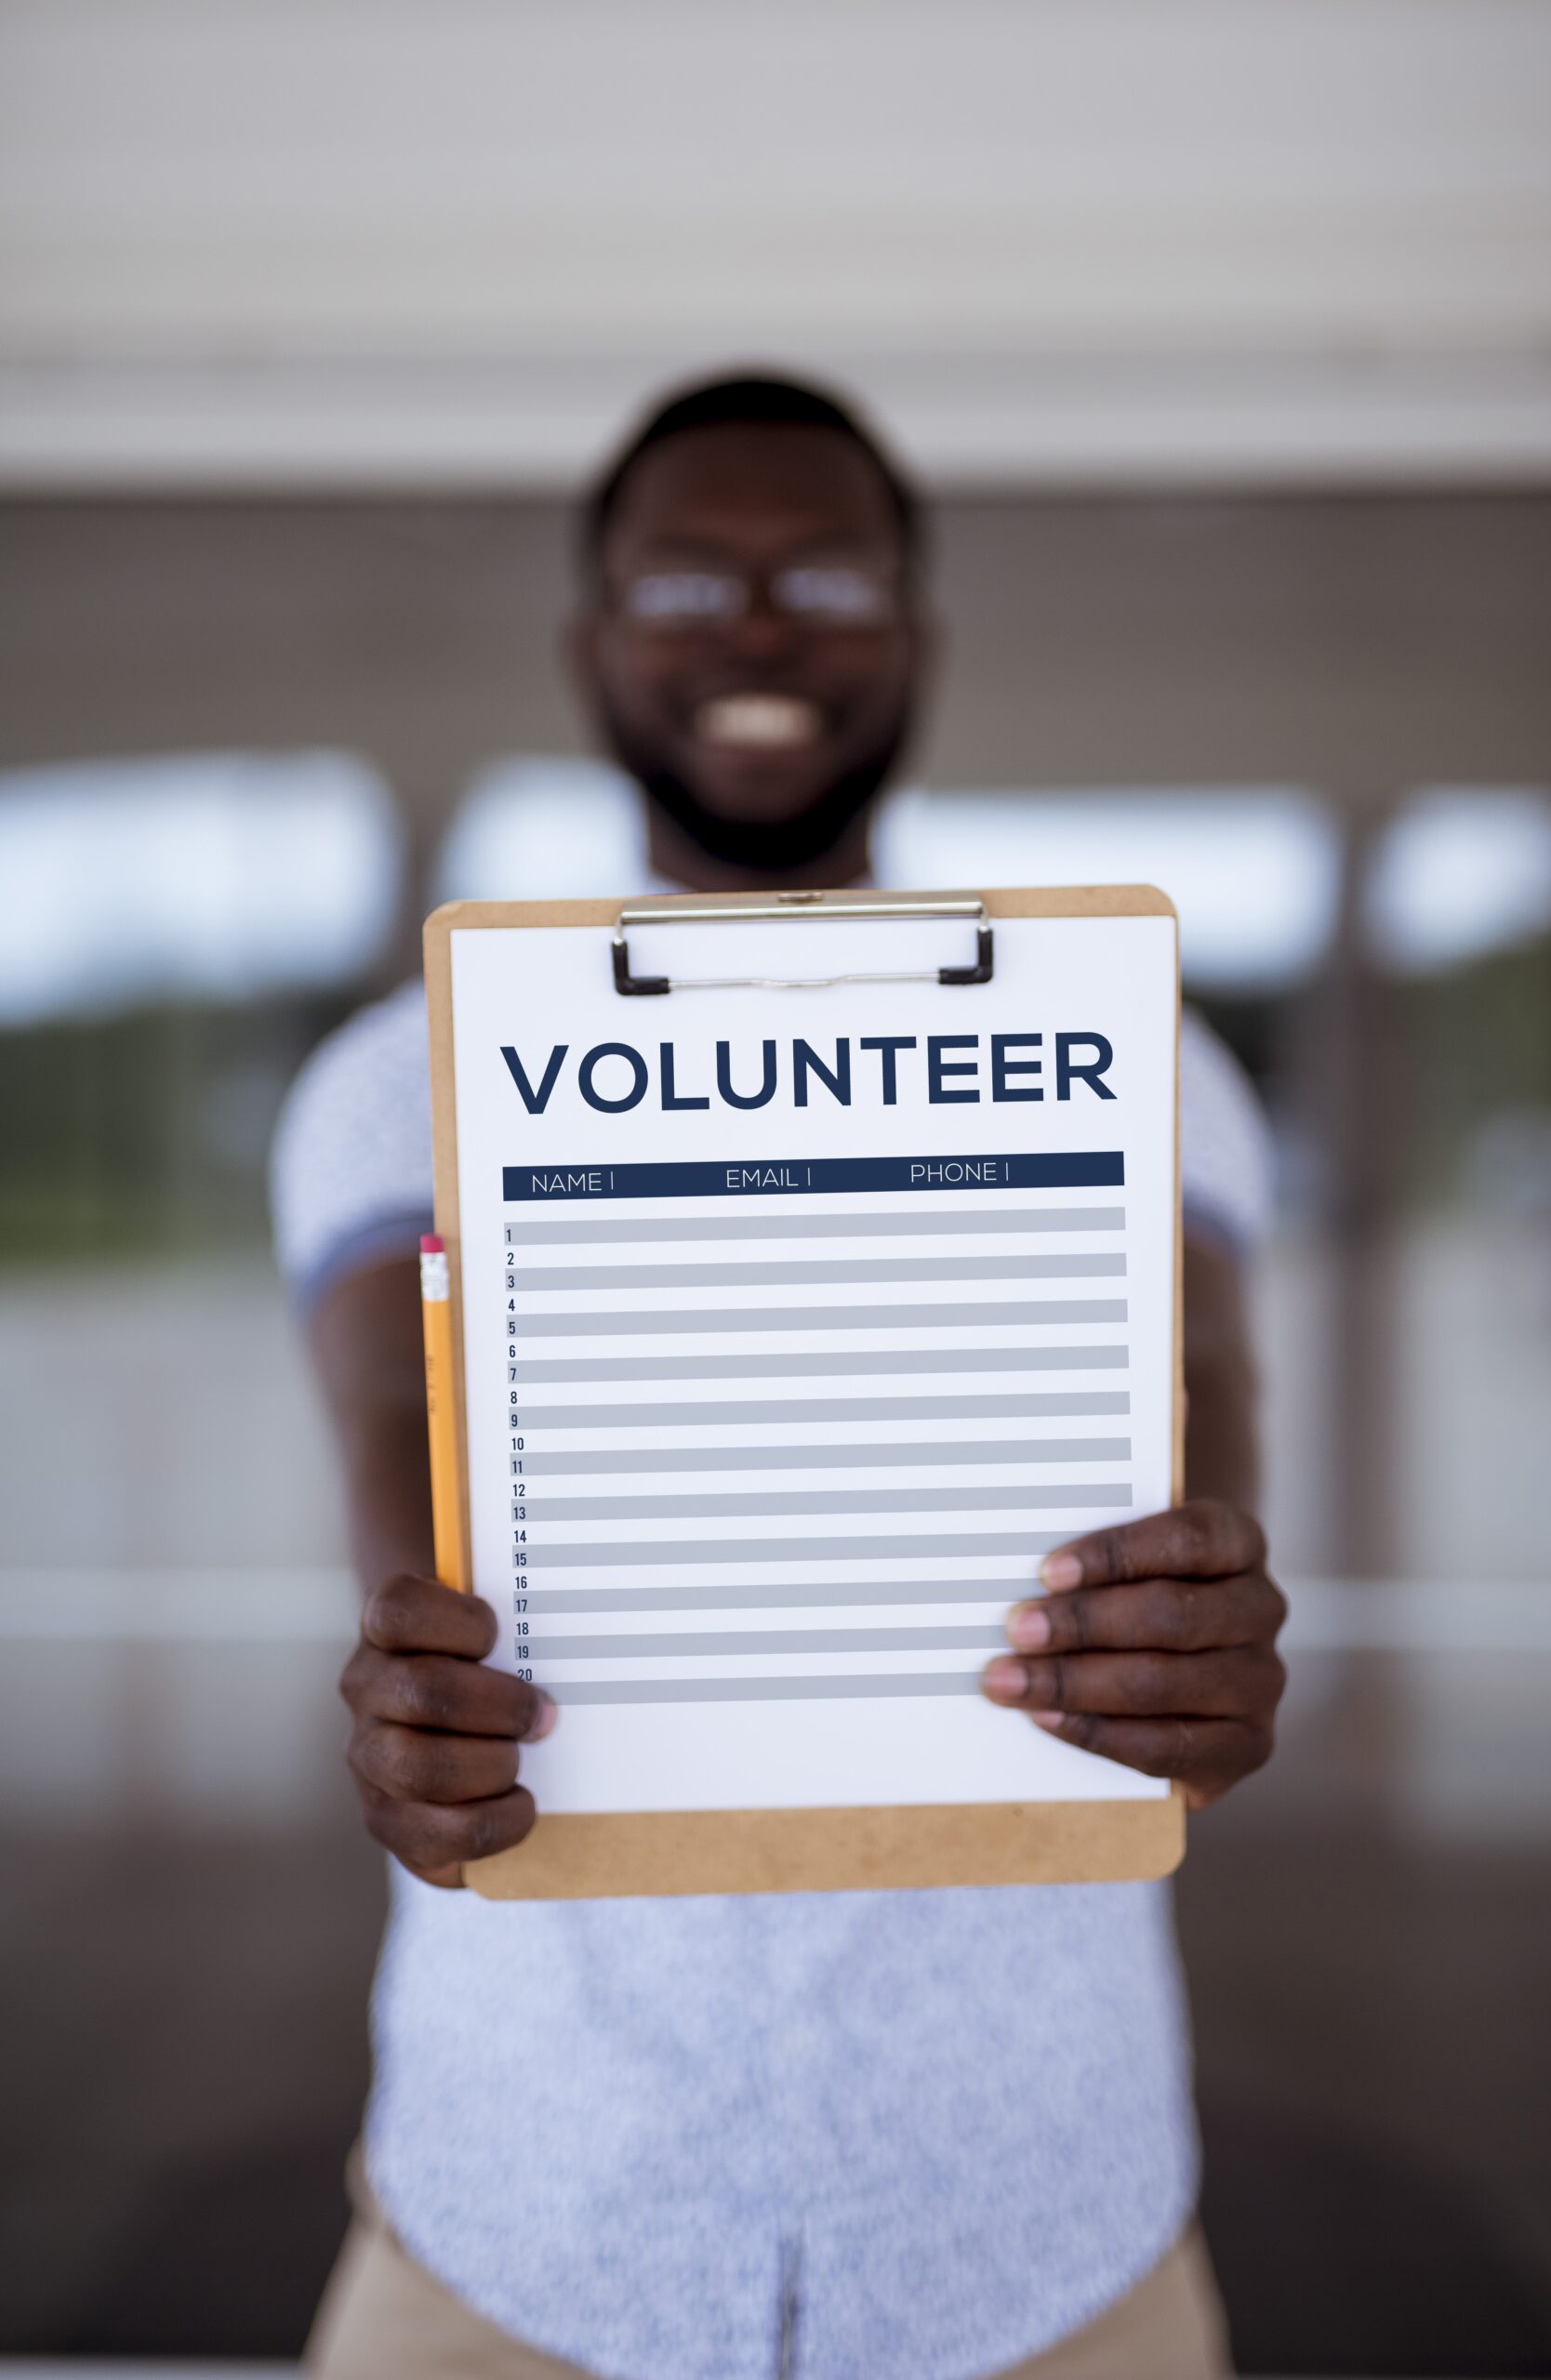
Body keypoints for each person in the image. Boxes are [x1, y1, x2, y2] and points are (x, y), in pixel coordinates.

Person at [273, 375, 1286, 2380]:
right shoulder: (403, 1079)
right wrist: (431, 1704)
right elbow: (419, 1458)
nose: (755, 625)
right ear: (591, 646)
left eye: (826, 573)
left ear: (915, 637)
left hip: (1040, 2228)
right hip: (528, 2220)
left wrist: (1213, 1644)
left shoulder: (1145, 1056)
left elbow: (1204, 1469)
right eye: (684, 578)